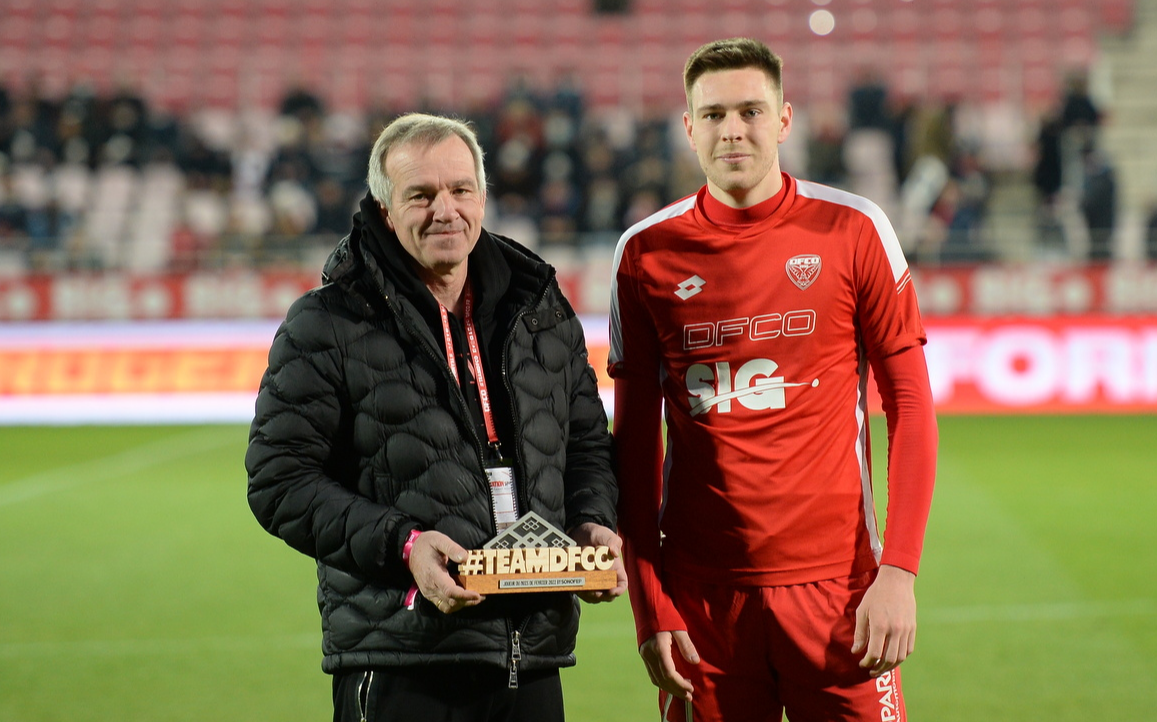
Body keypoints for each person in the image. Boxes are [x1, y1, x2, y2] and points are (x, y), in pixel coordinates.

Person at [246, 113, 624, 722]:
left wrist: (593, 522)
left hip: (532, 659)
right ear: (385, 209)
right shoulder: (328, 322)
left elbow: (585, 444)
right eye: (420, 195)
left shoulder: (541, 310)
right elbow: (279, 483)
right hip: (402, 658)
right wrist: (406, 546)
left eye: (460, 190)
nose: (444, 210)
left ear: (483, 196)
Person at [608, 38, 938, 722]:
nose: (734, 129)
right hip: (703, 603)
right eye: (716, 114)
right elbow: (635, 445)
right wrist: (649, 605)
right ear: (689, 125)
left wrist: (898, 571)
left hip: (842, 594)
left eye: (751, 111)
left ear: (784, 120)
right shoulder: (645, 254)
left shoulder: (853, 230)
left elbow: (909, 404)